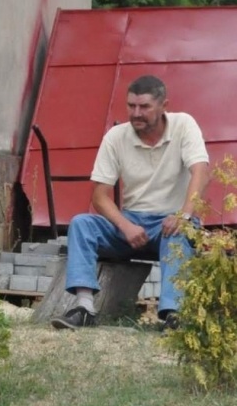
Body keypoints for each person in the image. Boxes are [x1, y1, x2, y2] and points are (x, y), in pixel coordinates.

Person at [53, 74, 210, 332]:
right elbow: (99, 196)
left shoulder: (184, 125)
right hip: (131, 223)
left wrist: (183, 215)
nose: (136, 113)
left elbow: (201, 172)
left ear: (163, 106)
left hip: (171, 221)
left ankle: (174, 317)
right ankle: (83, 308)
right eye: (131, 106)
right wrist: (125, 225)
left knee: (179, 232)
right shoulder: (116, 137)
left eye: (145, 107)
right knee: (81, 223)